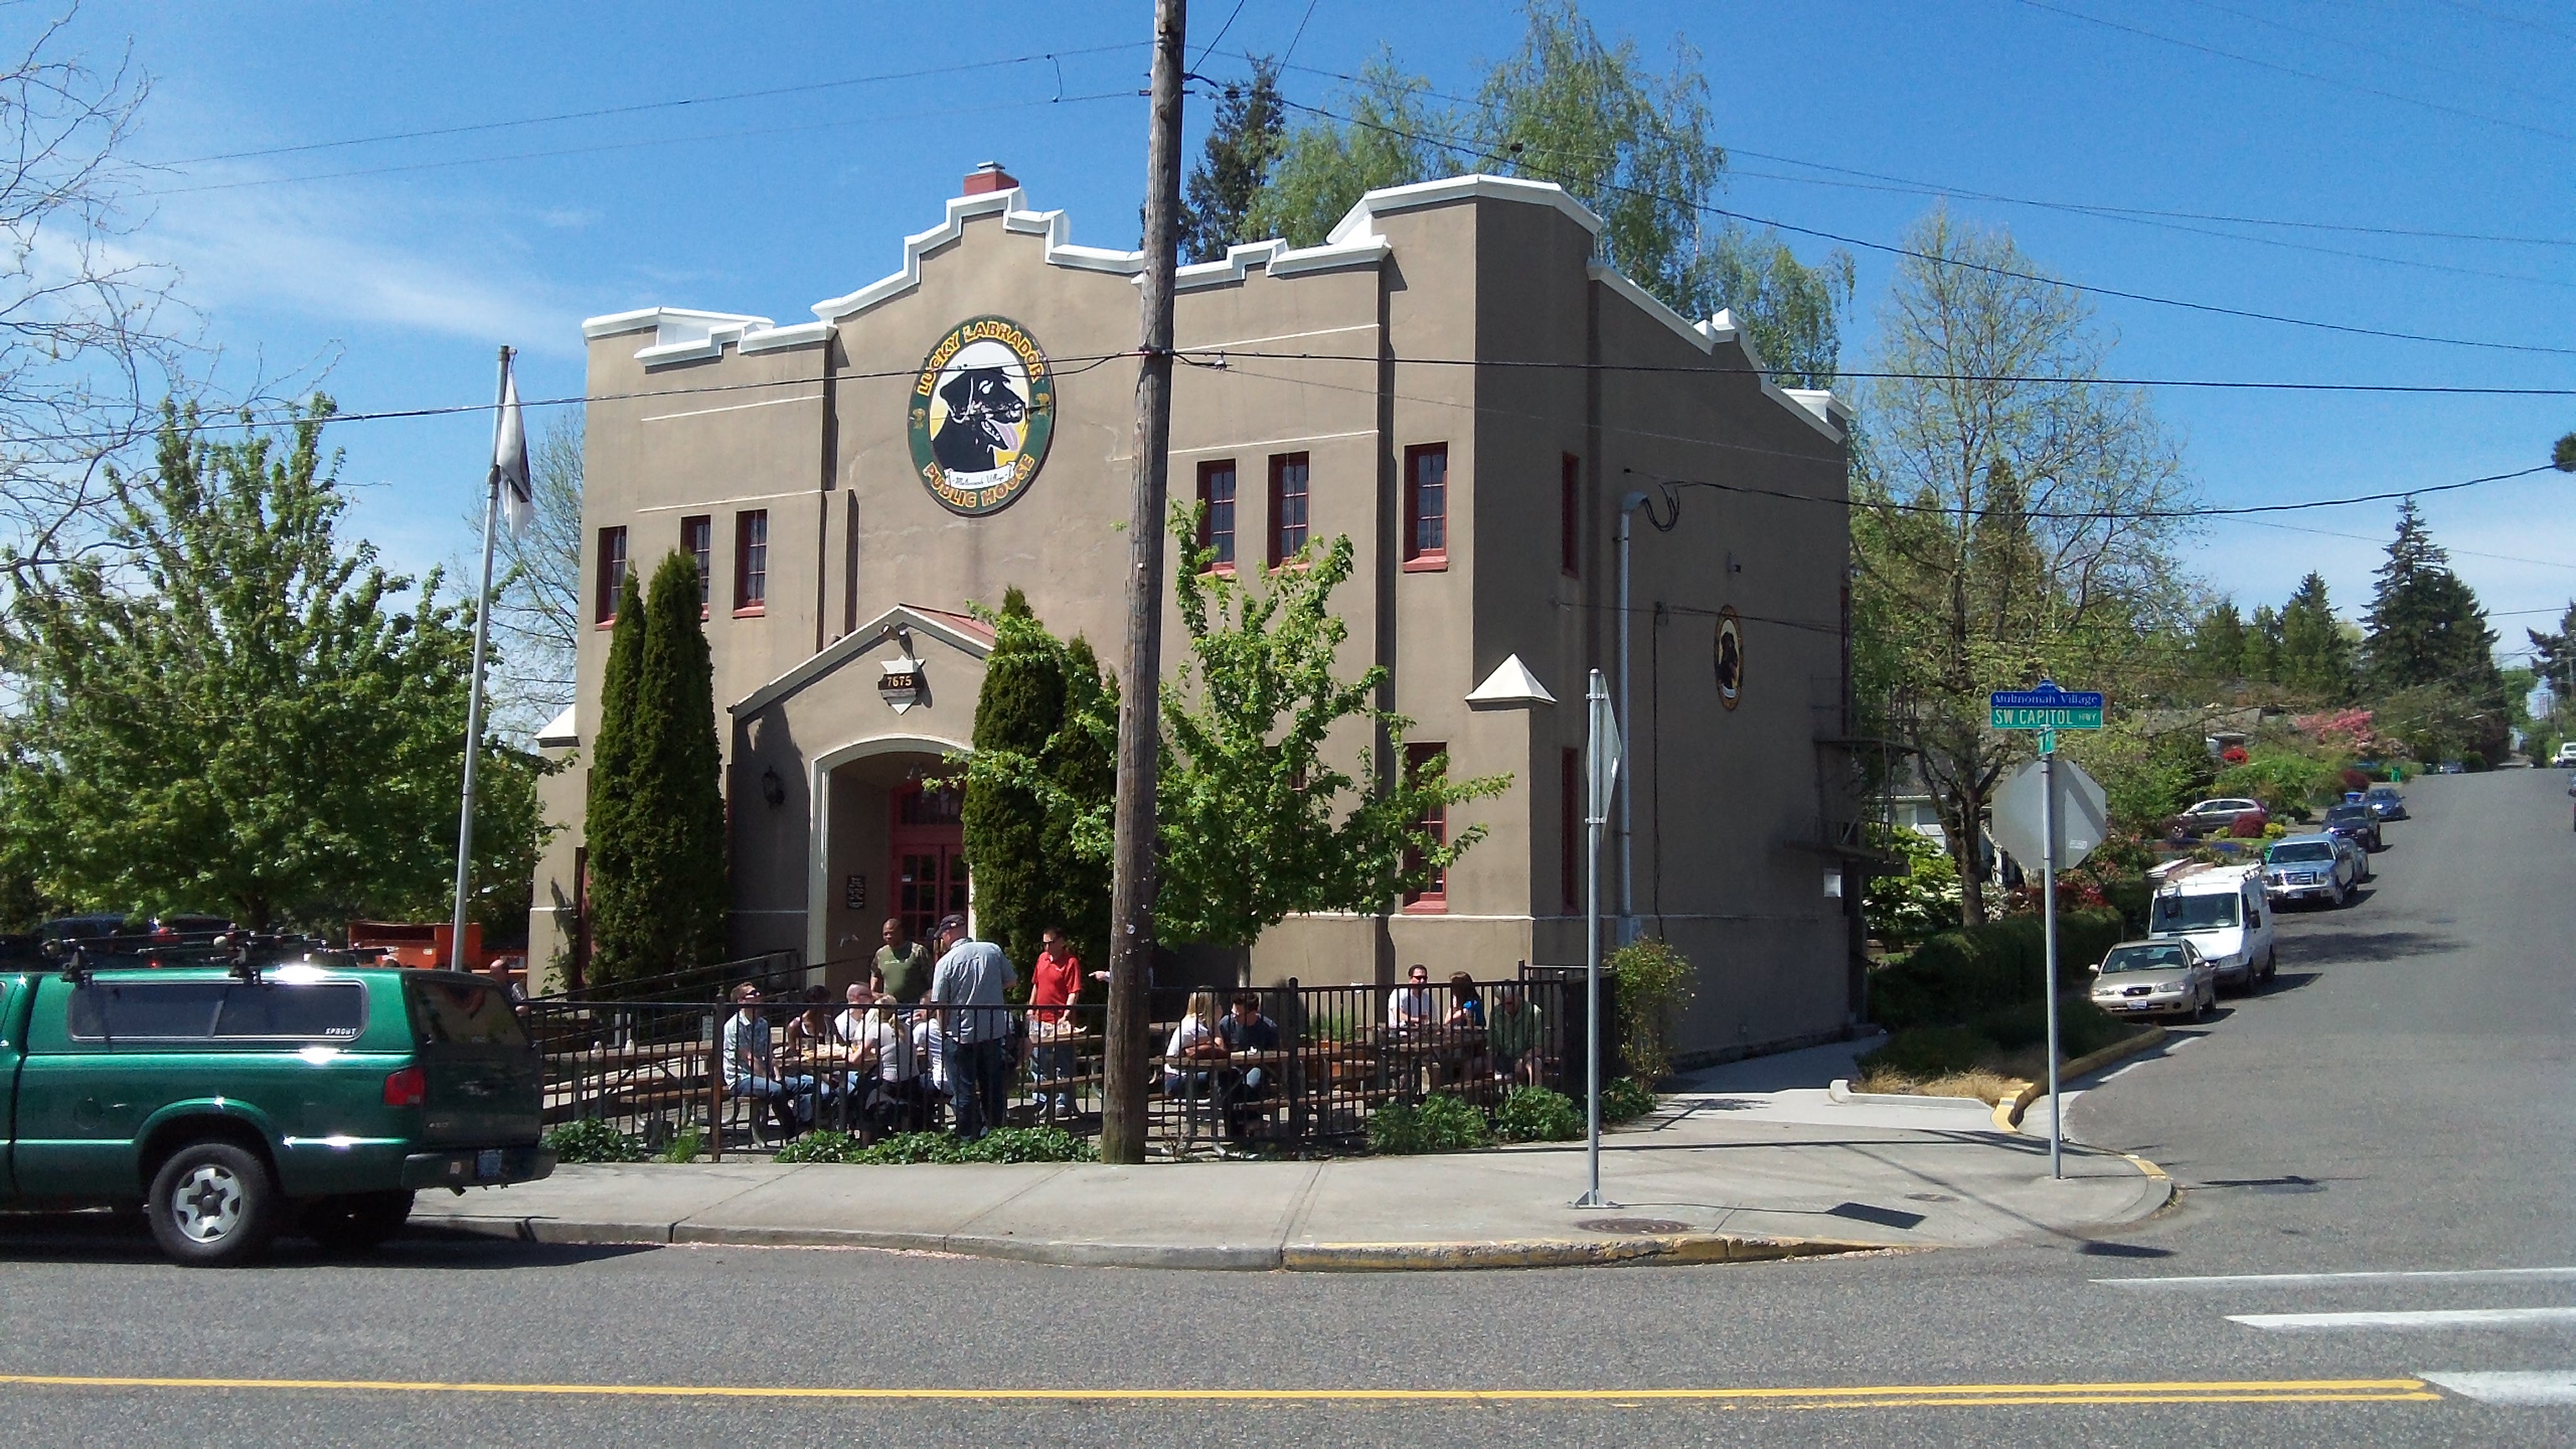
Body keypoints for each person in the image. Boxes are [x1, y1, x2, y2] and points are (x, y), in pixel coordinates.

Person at [926, 913, 1017, 1139]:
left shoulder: (945, 962)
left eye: (943, 936)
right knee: (993, 1087)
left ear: (949, 933)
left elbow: (940, 1003)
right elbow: (1012, 980)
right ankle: (996, 1134)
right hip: (992, 1030)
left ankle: (968, 1137)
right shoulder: (992, 950)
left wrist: (943, 1030)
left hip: (960, 1033)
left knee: (964, 1088)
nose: (942, 941)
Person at [719, 983, 813, 1140]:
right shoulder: (733, 1026)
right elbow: (749, 1058)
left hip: (764, 1075)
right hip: (741, 1078)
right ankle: (793, 1132)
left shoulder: (763, 1024)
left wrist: (776, 1075)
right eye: (752, 993)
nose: (758, 995)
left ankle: (805, 1126)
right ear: (741, 1001)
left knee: (805, 1085)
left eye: (758, 992)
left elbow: (769, 1055)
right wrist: (769, 1080)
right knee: (776, 1090)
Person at [1028, 926, 1083, 1116]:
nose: (1047, 947)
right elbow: (1036, 984)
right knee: (1037, 1061)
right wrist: (1031, 1006)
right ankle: (1041, 1101)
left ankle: (1063, 1102)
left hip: (1059, 1021)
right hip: (1040, 1020)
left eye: (1051, 943)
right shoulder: (1042, 959)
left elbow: (1073, 991)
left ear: (1061, 941)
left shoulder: (1070, 962)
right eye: (1044, 943)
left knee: (1064, 1062)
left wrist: (1067, 1013)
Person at [1214, 989, 1280, 1139]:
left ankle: (1248, 1125)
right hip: (1233, 1067)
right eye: (1233, 1012)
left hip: (1259, 1067)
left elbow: (1275, 1057)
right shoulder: (1226, 1024)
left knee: (1250, 1082)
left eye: (1239, 1014)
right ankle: (1242, 1128)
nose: (1235, 1017)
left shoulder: (1268, 1028)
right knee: (1227, 1083)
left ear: (1252, 1013)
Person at [1162, 989, 1228, 1102]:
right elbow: (1221, 1050)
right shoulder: (1195, 1027)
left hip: (1180, 1077)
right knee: (1227, 1076)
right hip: (1177, 1081)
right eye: (1217, 1004)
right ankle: (1233, 1111)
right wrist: (1216, 1023)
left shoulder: (1191, 1021)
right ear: (1209, 1006)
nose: (1220, 1007)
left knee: (1226, 1075)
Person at [1488, 984, 1544, 1087]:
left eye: (1509, 1003)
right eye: (1502, 1003)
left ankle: (1535, 1098)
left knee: (1535, 1064)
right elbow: (1492, 1045)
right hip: (1503, 1060)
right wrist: (1490, 1068)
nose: (1506, 1007)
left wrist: (1522, 1060)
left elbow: (1538, 1047)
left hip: (1527, 1057)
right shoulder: (1496, 1013)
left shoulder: (1534, 1012)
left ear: (1517, 997)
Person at [875, 917, 932, 1005]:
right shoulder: (881, 953)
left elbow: (931, 978)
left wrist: (927, 1000)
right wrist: (874, 992)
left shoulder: (917, 951)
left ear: (900, 932)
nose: (888, 937)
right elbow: (875, 974)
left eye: (892, 933)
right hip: (890, 1007)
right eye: (885, 934)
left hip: (914, 1006)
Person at [1386, 964, 1438, 1030]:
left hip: (1421, 1036)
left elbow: (1433, 1020)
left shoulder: (1427, 999)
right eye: (1418, 978)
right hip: (1400, 1034)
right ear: (1410, 979)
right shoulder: (1399, 993)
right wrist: (1416, 1020)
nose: (1422, 981)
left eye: (1424, 978)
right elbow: (1397, 1015)